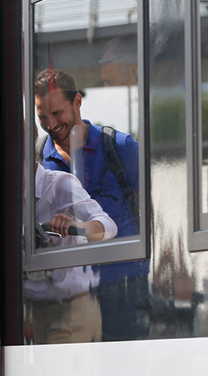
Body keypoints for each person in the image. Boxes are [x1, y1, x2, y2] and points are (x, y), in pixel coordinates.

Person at [34, 68, 150, 341]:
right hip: (70, 295)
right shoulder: (38, 159)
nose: (50, 124)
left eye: (57, 113)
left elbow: (155, 207)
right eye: (42, 117)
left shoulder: (120, 147)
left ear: (77, 102)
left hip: (123, 283)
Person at [25, 161, 117, 343]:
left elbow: (108, 226)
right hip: (31, 310)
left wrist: (77, 227)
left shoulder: (59, 184)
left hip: (71, 309)